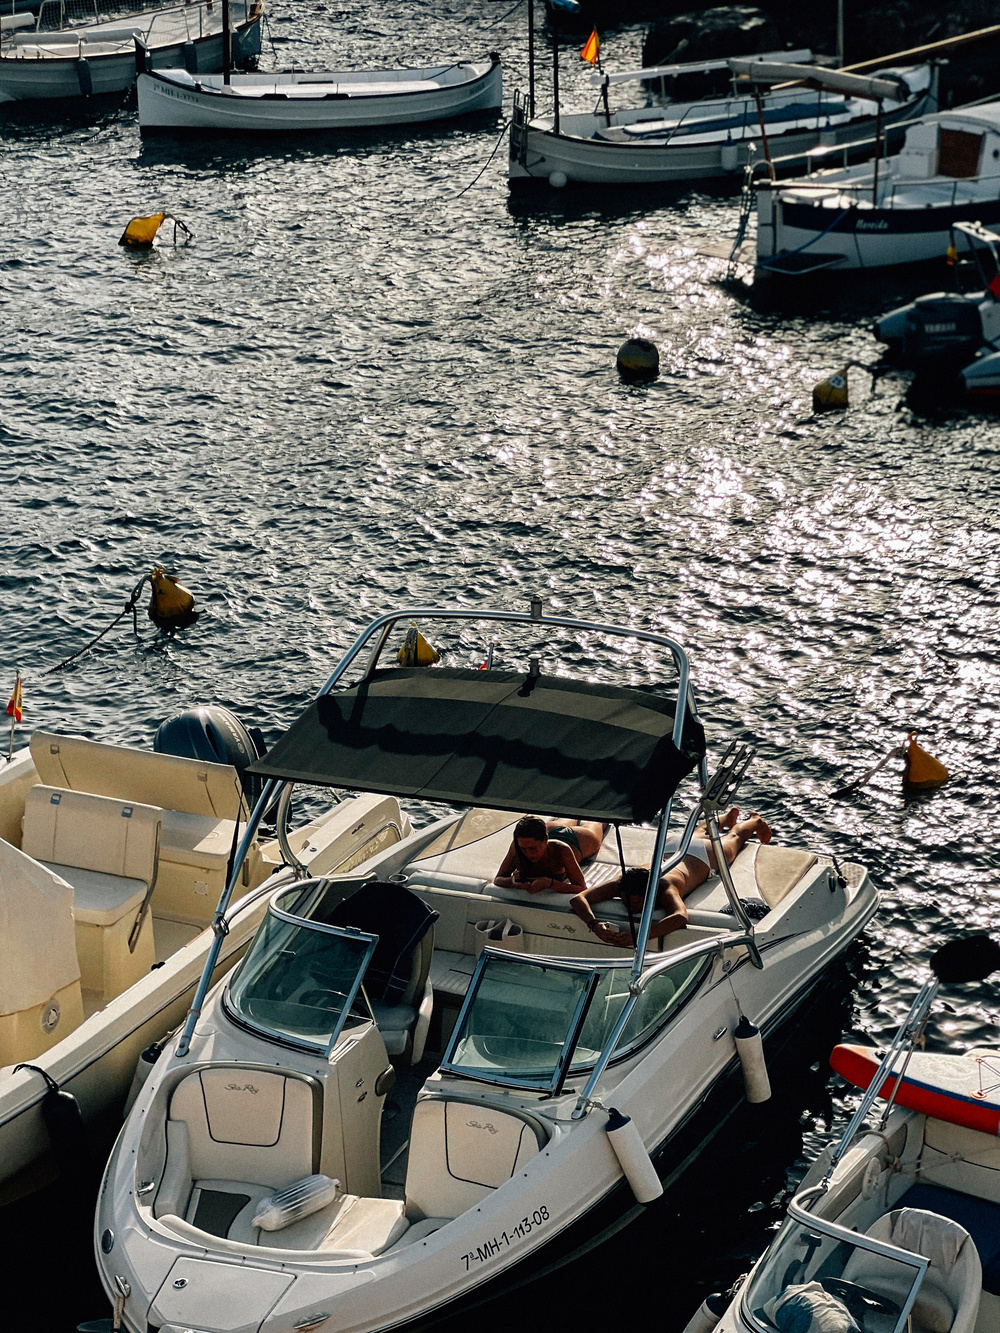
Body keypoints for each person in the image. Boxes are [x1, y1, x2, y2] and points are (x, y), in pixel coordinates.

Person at [570, 810, 772, 947]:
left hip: (702, 856)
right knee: (697, 833)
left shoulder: (666, 887)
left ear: (650, 894)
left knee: (734, 839)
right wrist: (593, 925)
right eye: (625, 900)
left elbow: (680, 916)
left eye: (635, 903)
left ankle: (754, 821)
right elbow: (579, 898)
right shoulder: (625, 882)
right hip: (671, 848)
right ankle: (725, 817)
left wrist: (639, 937)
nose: (628, 905)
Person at [494, 815, 609, 895]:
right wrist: (512, 882)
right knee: (568, 813)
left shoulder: (562, 850)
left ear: (545, 840)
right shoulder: (517, 846)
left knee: (598, 820)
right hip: (550, 828)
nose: (528, 853)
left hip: (576, 839)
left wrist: (550, 883)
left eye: (532, 848)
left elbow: (581, 888)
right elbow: (498, 879)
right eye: (524, 849)